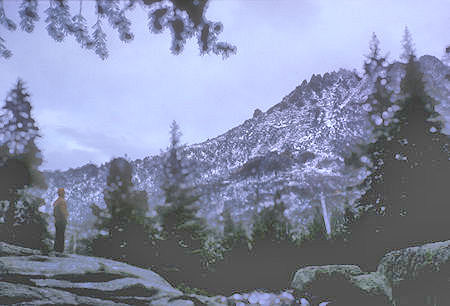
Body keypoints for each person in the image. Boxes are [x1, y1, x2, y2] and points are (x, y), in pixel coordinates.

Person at [53, 188, 69, 253]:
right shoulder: (62, 201)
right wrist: (66, 215)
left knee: (57, 236)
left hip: (57, 220)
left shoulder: (56, 201)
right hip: (61, 221)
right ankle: (60, 251)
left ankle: (56, 249)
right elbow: (63, 211)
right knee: (61, 236)